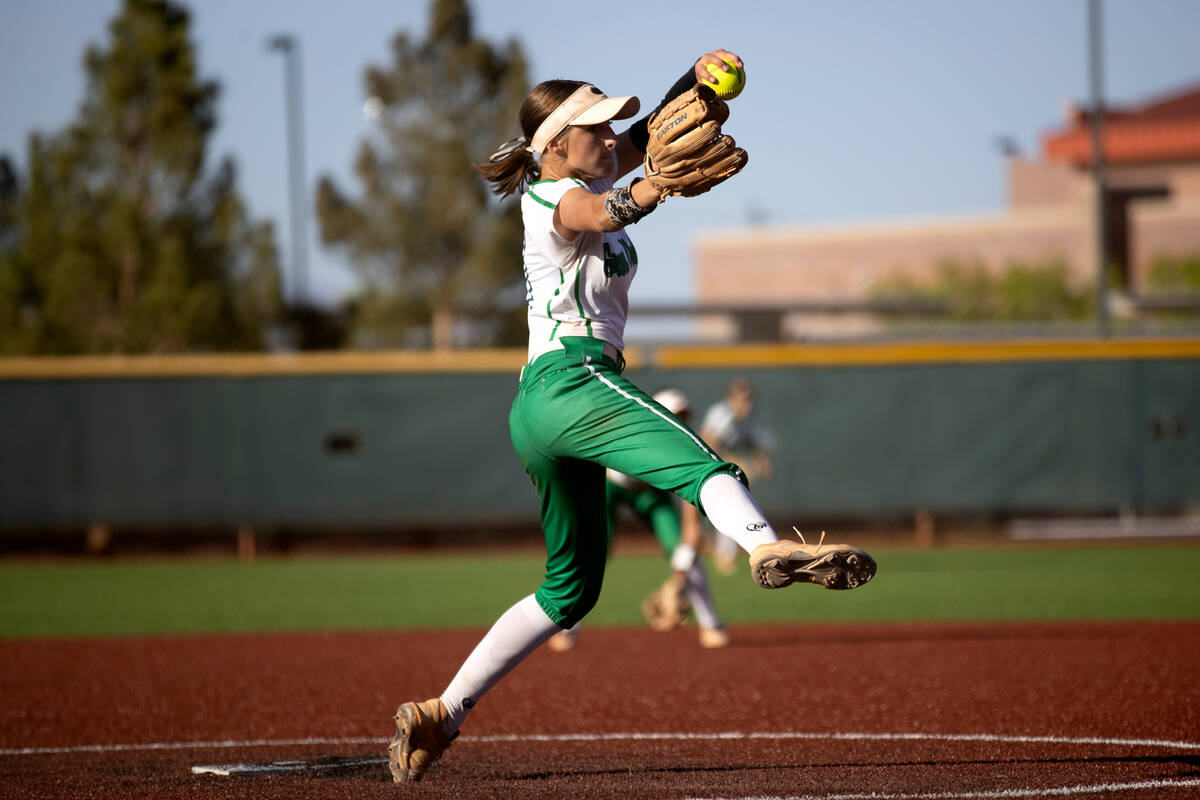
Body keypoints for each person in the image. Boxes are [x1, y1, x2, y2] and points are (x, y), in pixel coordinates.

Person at [386, 50, 877, 783]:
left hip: (541, 410)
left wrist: (698, 78)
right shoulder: (552, 196)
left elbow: (650, 134)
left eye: (612, 124)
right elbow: (599, 210)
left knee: (571, 589)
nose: (611, 135)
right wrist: (651, 190)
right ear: (554, 145)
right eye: (594, 128)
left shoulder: (603, 160)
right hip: (573, 379)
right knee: (700, 459)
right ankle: (764, 547)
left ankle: (440, 714)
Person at [548, 387, 730, 653]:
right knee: (591, 554)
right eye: (674, 413)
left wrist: (676, 581)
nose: (680, 420)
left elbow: (691, 513)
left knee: (681, 549)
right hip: (608, 485)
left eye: (684, 415)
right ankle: (568, 625)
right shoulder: (632, 428)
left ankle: (711, 624)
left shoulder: (685, 445)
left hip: (650, 494)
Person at [700, 377, 778, 572]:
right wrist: (734, 459)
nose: (744, 402)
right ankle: (707, 547)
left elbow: (751, 443)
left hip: (722, 469)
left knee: (730, 507)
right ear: (731, 397)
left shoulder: (749, 418)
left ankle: (725, 554)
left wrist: (762, 463)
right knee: (708, 515)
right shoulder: (720, 414)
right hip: (703, 464)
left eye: (748, 397)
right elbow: (707, 443)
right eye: (740, 397)